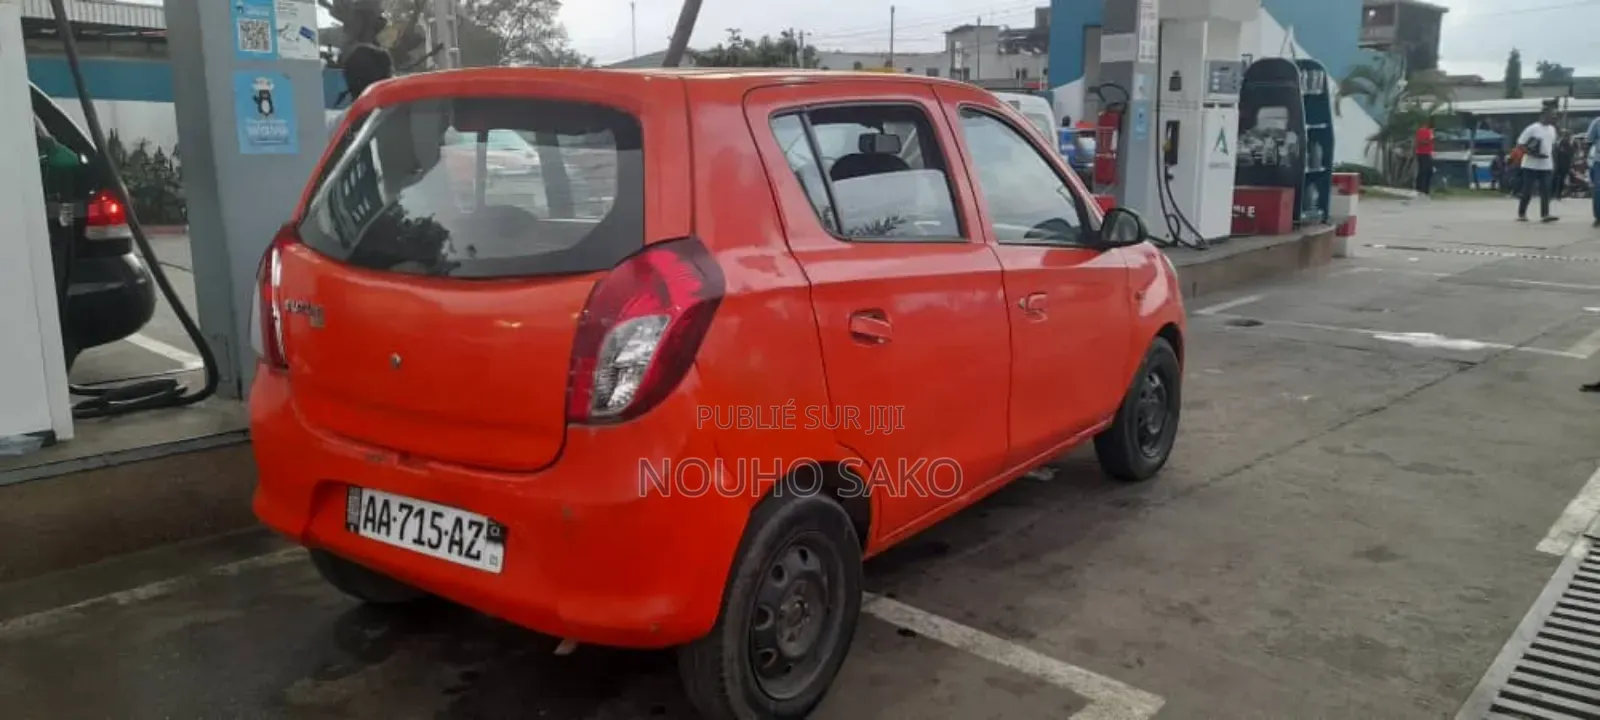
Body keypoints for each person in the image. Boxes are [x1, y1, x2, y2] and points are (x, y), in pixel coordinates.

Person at [1517, 105, 1560, 222]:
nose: (1554, 118)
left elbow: (1552, 147)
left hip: (1546, 165)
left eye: (1555, 116)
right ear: (1543, 115)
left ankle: (1545, 214)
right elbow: (1520, 144)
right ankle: (1522, 213)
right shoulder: (1532, 128)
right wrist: (1533, 154)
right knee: (1528, 190)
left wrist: (1553, 163)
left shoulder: (1552, 129)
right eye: (1552, 115)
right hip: (1530, 165)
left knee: (1546, 190)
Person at [1414, 120, 1435, 195]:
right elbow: (1421, 141)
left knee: (1429, 171)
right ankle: (1420, 188)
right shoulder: (1421, 131)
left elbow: (1432, 142)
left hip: (1428, 153)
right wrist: (1428, 140)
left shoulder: (1429, 132)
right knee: (1423, 170)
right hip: (1422, 153)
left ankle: (1426, 189)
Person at [1556, 132, 1576, 199]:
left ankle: (1559, 193)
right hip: (1564, 164)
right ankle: (1559, 194)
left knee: (1562, 178)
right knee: (1563, 178)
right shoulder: (1565, 142)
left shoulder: (1563, 142)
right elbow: (1570, 152)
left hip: (1562, 164)